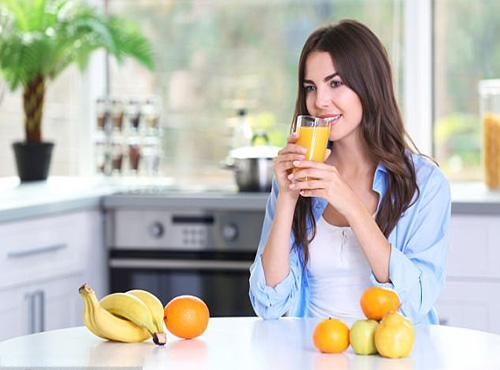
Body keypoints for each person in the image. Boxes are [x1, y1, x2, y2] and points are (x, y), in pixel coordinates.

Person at [248, 19, 451, 325]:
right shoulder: (297, 176)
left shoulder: (424, 183)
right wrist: (288, 198)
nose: (319, 101)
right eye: (310, 88)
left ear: (369, 85)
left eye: (335, 83)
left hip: (391, 355)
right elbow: (268, 304)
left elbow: (417, 299)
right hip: (312, 352)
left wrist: (350, 204)